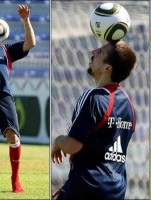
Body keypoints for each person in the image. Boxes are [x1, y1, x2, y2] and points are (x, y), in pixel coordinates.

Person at [52, 40, 137, 200]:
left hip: (86, 188)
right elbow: (103, 150)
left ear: (107, 68)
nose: (93, 52)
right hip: (116, 192)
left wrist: (58, 141)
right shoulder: (129, 105)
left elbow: (72, 146)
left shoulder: (94, 97)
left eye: (100, 52)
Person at [0, 5, 36, 192]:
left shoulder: (6, 51)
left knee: (13, 137)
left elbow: (30, 43)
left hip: (3, 96)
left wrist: (25, 20)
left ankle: (15, 180)